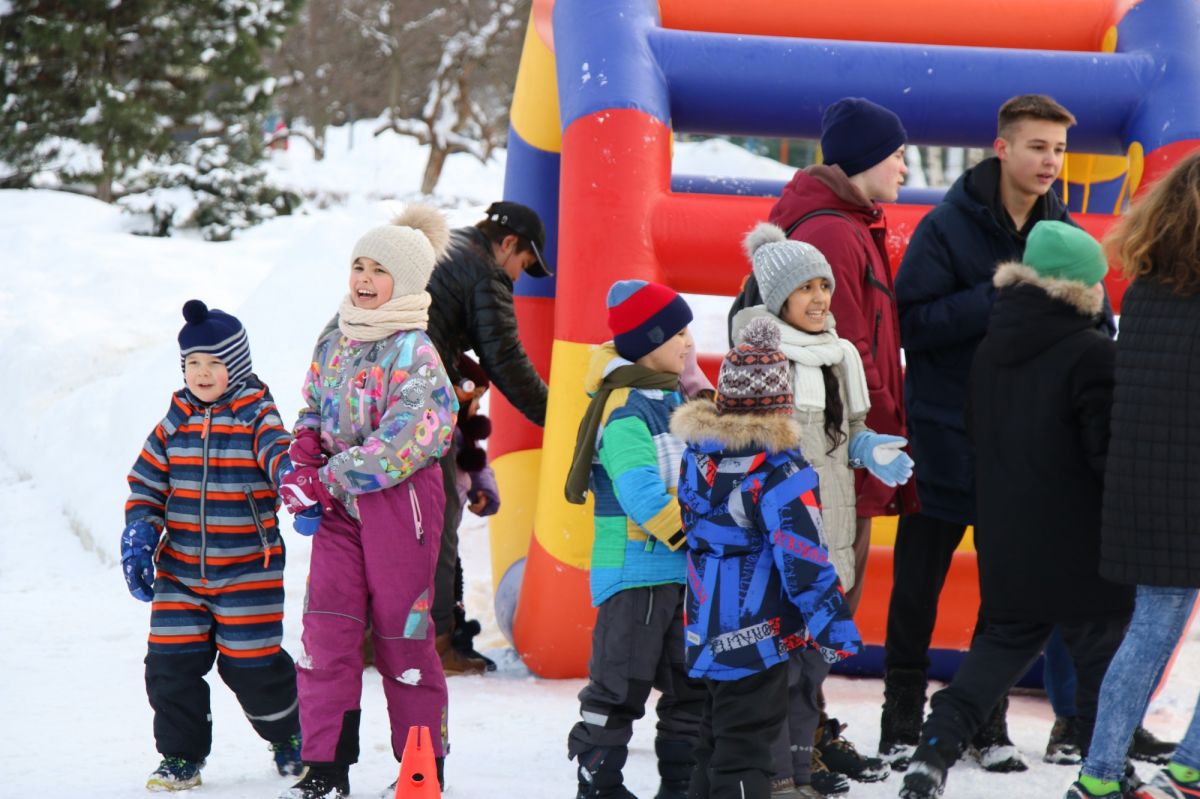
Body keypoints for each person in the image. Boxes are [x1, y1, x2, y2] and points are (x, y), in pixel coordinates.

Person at [885, 93, 1094, 772]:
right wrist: (1001, 296)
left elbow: (1095, 320)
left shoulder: (1061, 224)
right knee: (919, 583)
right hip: (942, 432)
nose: (1051, 162)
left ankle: (984, 722)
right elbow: (912, 323)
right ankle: (898, 722)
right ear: (1001, 147)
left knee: (1007, 589)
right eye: (1038, 146)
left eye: (1060, 150)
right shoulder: (946, 226)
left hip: (1021, 444)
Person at [896, 221, 1134, 798]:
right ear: (1081, 286)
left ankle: (934, 750)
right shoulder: (1093, 354)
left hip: (1007, 532)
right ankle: (1111, 770)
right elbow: (1106, 454)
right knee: (1104, 658)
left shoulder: (991, 349)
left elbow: (977, 431)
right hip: (1081, 539)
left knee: (998, 649)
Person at [730, 97, 917, 784]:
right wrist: (867, 438)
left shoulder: (848, 225)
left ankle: (804, 730)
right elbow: (847, 352)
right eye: (896, 151)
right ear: (865, 156)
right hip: (825, 465)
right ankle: (789, 745)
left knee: (817, 604)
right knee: (814, 601)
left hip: (846, 454)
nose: (904, 164)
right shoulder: (834, 234)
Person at [276, 205, 458, 799]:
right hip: (338, 512)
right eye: (359, 264)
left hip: (399, 507)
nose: (364, 277)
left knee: (402, 639)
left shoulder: (416, 354)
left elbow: (404, 440)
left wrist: (326, 477)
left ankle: (420, 771)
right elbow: (312, 407)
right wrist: (301, 456)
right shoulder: (335, 338)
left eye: (379, 269)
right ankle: (325, 768)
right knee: (326, 634)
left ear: (403, 283)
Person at [672, 316, 863, 799]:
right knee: (747, 749)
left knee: (715, 738)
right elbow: (804, 558)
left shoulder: (697, 457)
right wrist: (834, 626)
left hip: (704, 624)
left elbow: (693, 527)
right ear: (782, 405)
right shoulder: (782, 471)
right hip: (758, 634)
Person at [121, 300, 301, 791]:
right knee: (168, 667)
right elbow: (146, 484)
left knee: (253, 668)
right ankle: (181, 757)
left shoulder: (255, 414)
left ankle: (288, 734)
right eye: (193, 364)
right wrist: (140, 532)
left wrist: (293, 482)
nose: (202, 373)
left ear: (236, 365)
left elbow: (278, 454)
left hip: (248, 570)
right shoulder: (174, 421)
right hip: (179, 572)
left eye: (215, 363)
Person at [1066, 152, 1200, 799]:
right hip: (1189, 479)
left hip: (1146, 484)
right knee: (1154, 626)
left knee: (1148, 626)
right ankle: (1189, 764)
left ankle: (1101, 767)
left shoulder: (1146, 286)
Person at [563, 280, 706, 799]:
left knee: (692, 685)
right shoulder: (625, 407)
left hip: (676, 574)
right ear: (649, 340)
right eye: (679, 332)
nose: (689, 342)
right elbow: (640, 492)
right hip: (636, 574)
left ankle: (683, 782)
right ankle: (599, 782)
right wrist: (696, 538)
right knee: (620, 685)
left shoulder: (668, 396)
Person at [424, 200, 551, 675]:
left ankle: (373, 635)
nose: (519, 277)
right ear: (509, 244)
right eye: (523, 264)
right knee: (438, 516)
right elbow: (509, 363)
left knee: (383, 518)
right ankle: (437, 644)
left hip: (366, 385)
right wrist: (557, 419)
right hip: (413, 397)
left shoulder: (447, 248)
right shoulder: (483, 270)